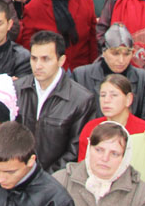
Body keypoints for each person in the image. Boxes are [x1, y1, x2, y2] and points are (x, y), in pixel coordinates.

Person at [16, 31, 94, 172]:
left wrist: (45, 178)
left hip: (56, 179)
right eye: (34, 58)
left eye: (45, 59)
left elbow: (75, 152)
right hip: (16, 175)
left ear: (61, 60)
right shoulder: (16, 90)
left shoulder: (81, 100)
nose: (38, 65)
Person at [18, 0, 99, 71]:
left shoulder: (85, 1)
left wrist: (92, 68)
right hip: (48, 70)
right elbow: (28, 44)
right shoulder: (34, 7)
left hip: (81, 68)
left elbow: (93, 40)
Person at [78, 74, 145, 160]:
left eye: (114, 95)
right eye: (103, 95)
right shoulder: (91, 128)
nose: (106, 100)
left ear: (128, 99)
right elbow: (83, 163)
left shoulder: (144, 130)